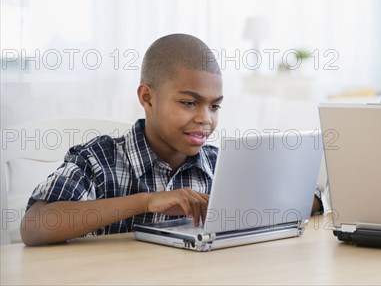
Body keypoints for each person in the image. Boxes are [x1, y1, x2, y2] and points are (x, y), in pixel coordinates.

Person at [21, 33, 323, 246]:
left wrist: (295, 199)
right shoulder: (99, 160)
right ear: (148, 98)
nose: (206, 118)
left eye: (214, 106)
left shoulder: (221, 167)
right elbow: (34, 226)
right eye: (189, 103)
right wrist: (147, 202)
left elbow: (298, 205)